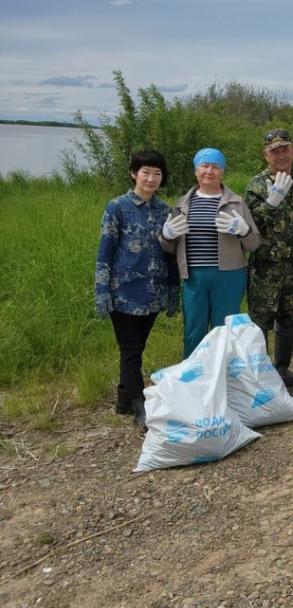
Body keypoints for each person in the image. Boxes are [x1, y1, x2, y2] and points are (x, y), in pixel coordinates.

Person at [95, 149, 180, 429]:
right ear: (134, 173)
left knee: (136, 347)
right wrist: (102, 289)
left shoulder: (165, 211)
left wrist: (172, 290)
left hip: (153, 293)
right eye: (145, 172)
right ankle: (138, 405)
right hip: (124, 293)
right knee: (130, 350)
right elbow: (105, 251)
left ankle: (122, 398)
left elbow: (171, 253)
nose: (151, 178)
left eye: (157, 173)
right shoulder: (117, 207)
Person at [160, 148, 260, 357]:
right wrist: (166, 236)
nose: (209, 171)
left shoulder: (236, 202)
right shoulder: (181, 204)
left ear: (222, 172)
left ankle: (222, 378)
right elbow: (169, 247)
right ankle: (193, 379)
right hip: (193, 277)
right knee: (193, 332)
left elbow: (254, 244)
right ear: (196, 171)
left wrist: (244, 231)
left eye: (216, 167)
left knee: (223, 332)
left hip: (229, 276)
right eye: (204, 166)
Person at [244, 129, 293, 386]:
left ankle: (283, 368)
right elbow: (247, 225)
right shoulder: (257, 184)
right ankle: (262, 373)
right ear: (266, 155)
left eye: (285, 148)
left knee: (290, 317)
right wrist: (270, 204)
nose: (281, 154)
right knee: (260, 321)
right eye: (274, 151)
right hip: (265, 267)